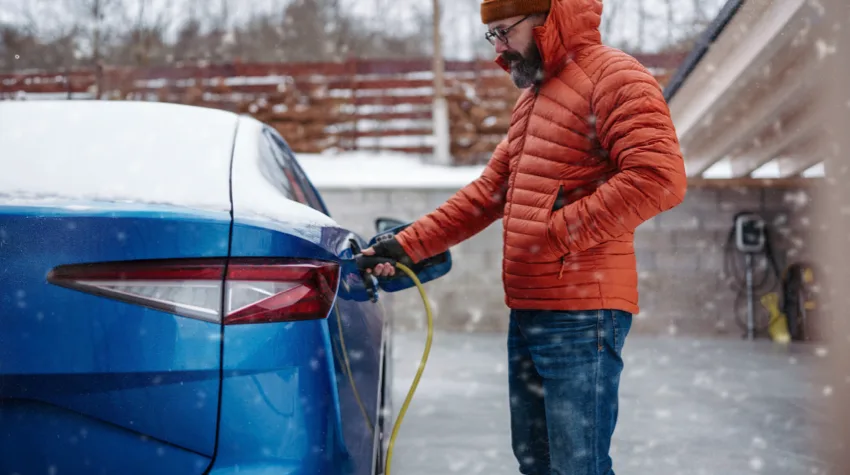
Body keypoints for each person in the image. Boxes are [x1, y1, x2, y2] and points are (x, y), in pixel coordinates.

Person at [362, 0, 688, 473]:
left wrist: (554, 233)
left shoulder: (616, 77)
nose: (499, 49)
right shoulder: (534, 98)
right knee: (536, 462)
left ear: (547, 17)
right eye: (490, 35)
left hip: (583, 314)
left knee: (578, 466)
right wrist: (408, 244)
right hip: (531, 308)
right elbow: (487, 195)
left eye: (504, 31)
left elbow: (659, 178)